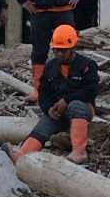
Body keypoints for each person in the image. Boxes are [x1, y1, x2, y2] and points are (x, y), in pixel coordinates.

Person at [9, 25, 98, 164]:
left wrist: (67, 100)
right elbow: (43, 91)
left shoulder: (87, 65)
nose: (59, 54)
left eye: (63, 51)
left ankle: (79, 153)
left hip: (83, 109)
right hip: (58, 111)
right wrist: (49, 108)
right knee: (42, 127)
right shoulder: (50, 66)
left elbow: (91, 91)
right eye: (56, 50)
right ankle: (21, 155)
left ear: (73, 48)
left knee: (75, 105)